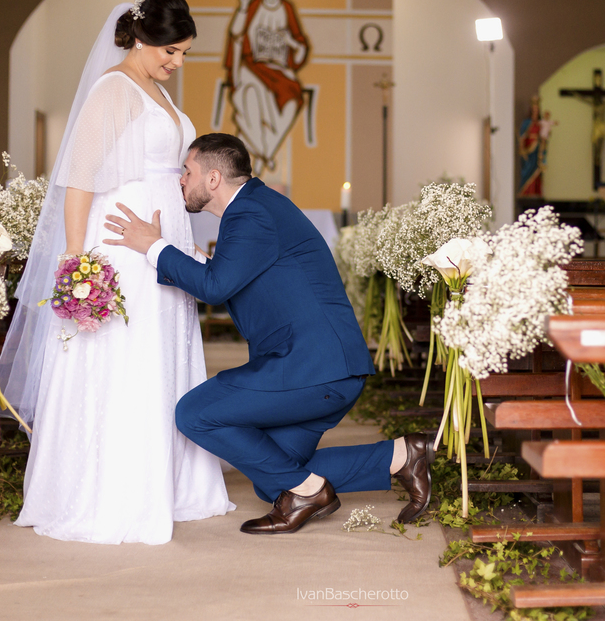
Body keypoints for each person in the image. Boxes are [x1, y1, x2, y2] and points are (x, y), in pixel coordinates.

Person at [103, 133, 434, 535]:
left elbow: (214, 287)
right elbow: (227, 275)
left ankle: (311, 492)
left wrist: (154, 247)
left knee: (194, 413)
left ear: (212, 178)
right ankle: (402, 456)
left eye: (186, 171)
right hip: (322, 368)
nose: (180, 180)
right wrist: (173, 251)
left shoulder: (250, 214)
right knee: (274, 479)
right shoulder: (255, 208)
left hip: (314, 369)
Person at [0, 0, 234, 545]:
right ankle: (117, 492)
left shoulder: (158, 94)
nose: (177, 62)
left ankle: (166, 484)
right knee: (127, 356)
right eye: (171, 51)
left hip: (161, 244)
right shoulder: (112, 90)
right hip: (123, 248)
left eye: (184, 52)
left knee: (162, 355)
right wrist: (76, 260)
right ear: (142, 38)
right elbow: (79, 179)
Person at [224, 0, 310, 175]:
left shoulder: (287, 9)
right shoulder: (254, 5)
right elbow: (236, 32)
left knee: (292, 103)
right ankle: (266, 155)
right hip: (253, 67)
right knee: (252, 93)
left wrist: (290, 42)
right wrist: (243, 7)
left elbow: (300, 49)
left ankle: (263, 152)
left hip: (279, 71)